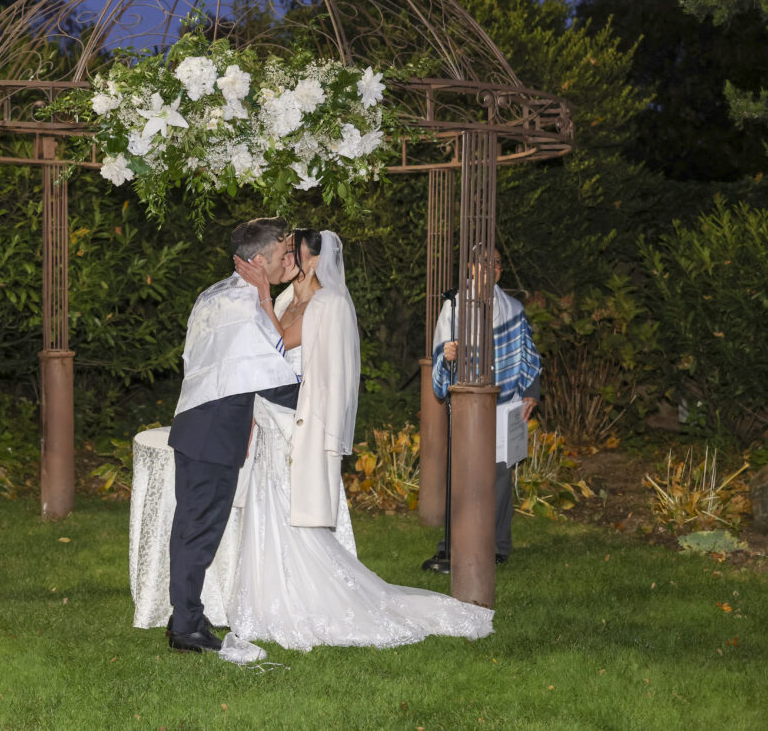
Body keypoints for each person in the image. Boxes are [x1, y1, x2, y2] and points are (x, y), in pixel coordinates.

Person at [229, 229, 493, 651]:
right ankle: (267, 599)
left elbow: (277, 341)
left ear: (313, 260)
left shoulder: (328, 303)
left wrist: (260, 291)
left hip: (300, 423)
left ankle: (312, 601)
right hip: (271, 421)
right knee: (268, 511)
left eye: (291, 252)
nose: (284, 260)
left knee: (294, 517)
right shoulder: (283, 300)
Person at [166, 217, 301, 653]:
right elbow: (274, 378)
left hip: (197, 424)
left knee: (192, 526)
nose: (289, 262)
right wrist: (320, 399)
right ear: (259, 261)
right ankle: (186, 627)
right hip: (214, 433)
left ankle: (185, 613)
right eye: (283, 255)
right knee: (199, 530)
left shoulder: (216, 294)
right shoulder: (246, 308)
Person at [422, 248, 541, 574]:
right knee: (461, 474)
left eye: (497, 263)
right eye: (484, 262)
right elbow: (440, 350)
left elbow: (528, 351)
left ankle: (498, 546)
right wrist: (447, 355)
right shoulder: (455, 305)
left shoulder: (513, 310)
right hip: (467, 403)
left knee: (499, 477)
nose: (491, 268)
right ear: (471, 267)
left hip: (505, 402)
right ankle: (452, 545)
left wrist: (531, 393)